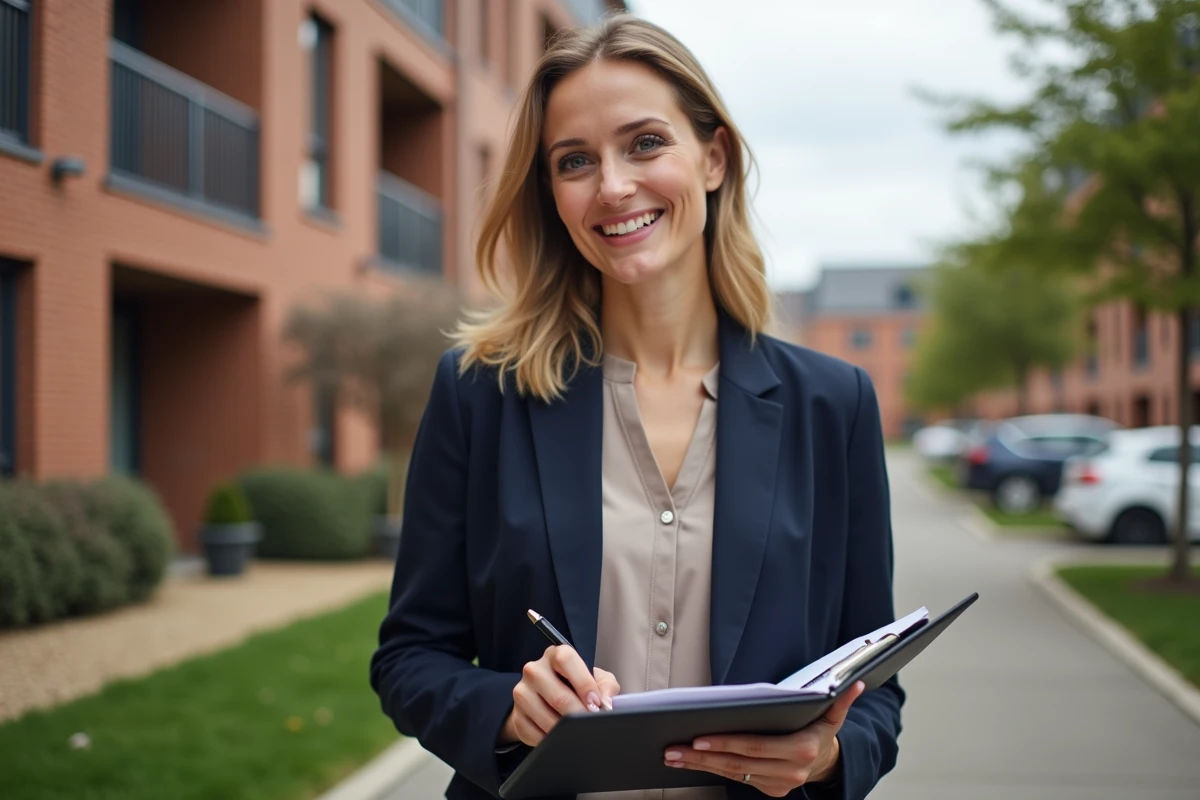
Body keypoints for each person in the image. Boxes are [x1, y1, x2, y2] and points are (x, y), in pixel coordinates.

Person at [369, 13, 902, 800]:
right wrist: (507, 711)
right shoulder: (480, 393)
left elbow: (876, 692)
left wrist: (826, 758)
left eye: (645, 143)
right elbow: (409, 657)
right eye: (575, 161)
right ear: (551, 194)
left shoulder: (835, 405)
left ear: (713, 157)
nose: (613, 186)